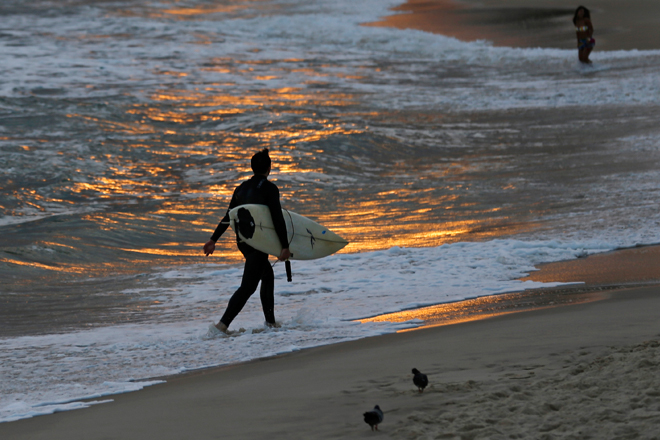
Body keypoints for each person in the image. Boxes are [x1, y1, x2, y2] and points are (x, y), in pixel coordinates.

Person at [203, 149, 291, 334]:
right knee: (248, 286)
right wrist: (284, 246)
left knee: (266, 275)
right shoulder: (270, 189)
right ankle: (222, 326)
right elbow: (277, 218)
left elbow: (229, 217)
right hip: (259, 241)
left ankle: (271, 323)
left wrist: (213, 239)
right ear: (269, 168)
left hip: (243, 241)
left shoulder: (241, 189)